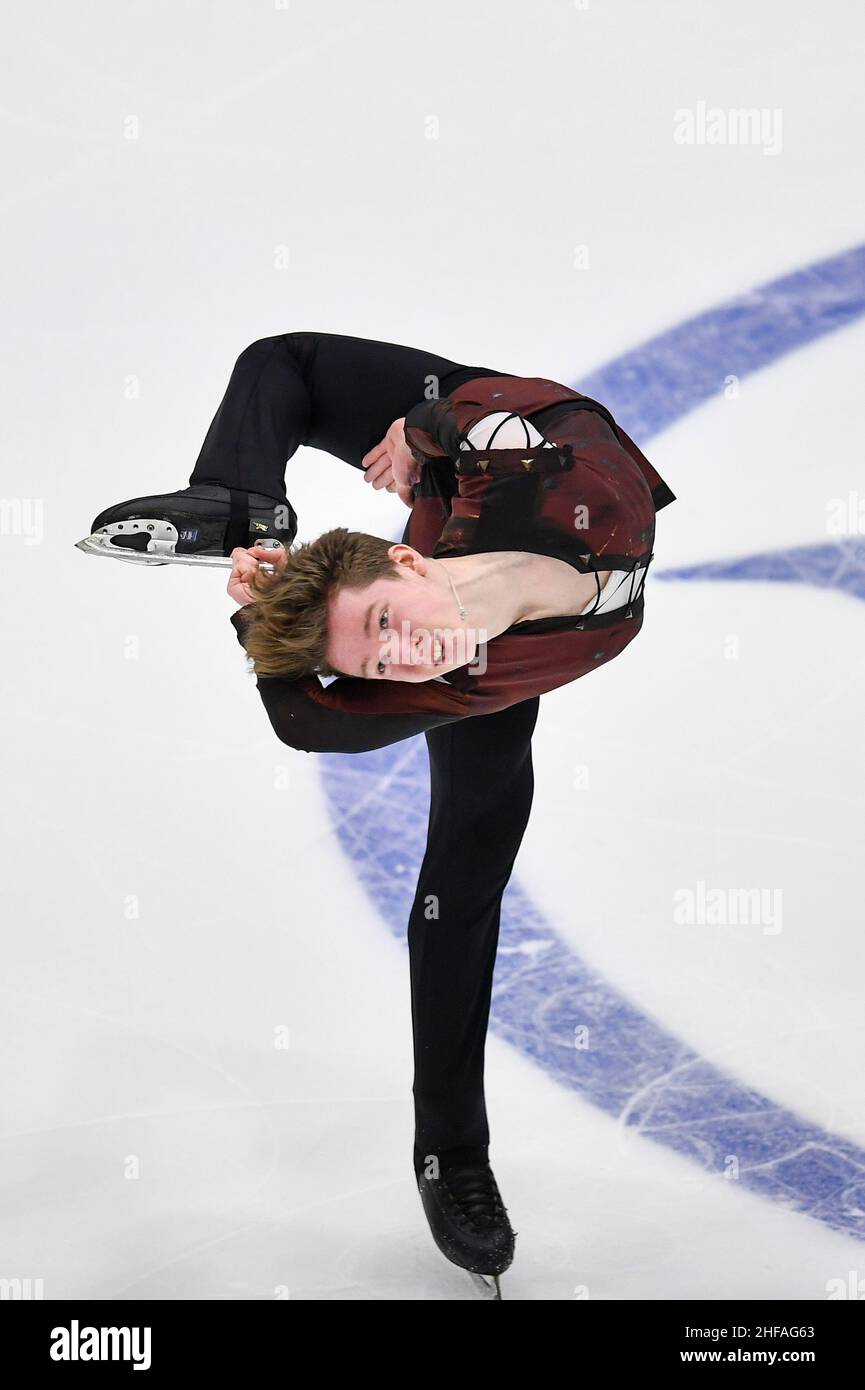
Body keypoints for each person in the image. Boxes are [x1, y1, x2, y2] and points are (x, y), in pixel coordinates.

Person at [76, 331, 676, 1295]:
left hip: (479, 451)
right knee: (460, 892)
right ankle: (453, 1159)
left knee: (292, 363)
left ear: (405, 562)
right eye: (374, 661)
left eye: (385, 624)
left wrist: (425, 430)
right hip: (478, 597)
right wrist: (259, 605)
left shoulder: (549, 478)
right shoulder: (453, 677)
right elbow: (307, 720)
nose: (401, 657)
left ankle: (244, 502)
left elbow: (546, 408)